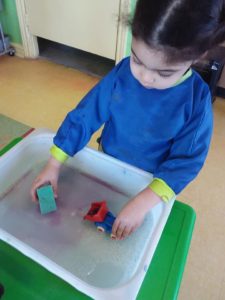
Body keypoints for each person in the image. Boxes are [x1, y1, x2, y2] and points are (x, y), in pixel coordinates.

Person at [31, 0, 225, 240]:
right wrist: (54, 163)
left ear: (199, 55)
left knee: (136, 232)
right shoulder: (122, 73)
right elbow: (85, 115)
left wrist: (145, 201)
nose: (144, 77)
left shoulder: (196, 99)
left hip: (150, 183)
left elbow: (187, 161)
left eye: (164, 73)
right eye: (137, 59)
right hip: (108, 160)